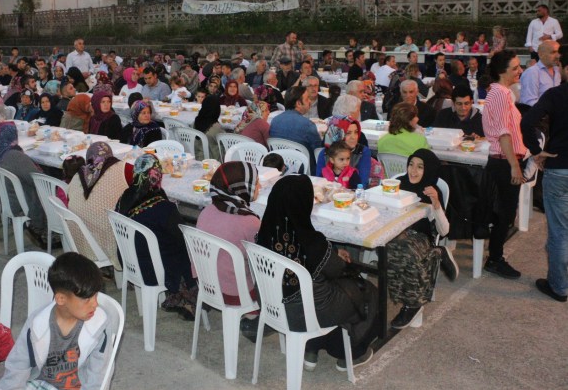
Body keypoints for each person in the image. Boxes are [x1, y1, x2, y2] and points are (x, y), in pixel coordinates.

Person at [257, 175, 377, 371]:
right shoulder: (312, 242)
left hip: (274, 307)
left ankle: (311, 347)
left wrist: (331, 252)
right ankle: (351, 353)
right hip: (307, 315)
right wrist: (335, 256)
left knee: (321, 288)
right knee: (366, 290)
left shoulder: (263, 233)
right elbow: (337, 269)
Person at [0, 252, 112, 390]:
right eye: (87, 299)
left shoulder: (98, 326)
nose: (95, 304)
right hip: (39, 383)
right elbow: (18, 366)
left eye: (96, 295)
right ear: (61, 299)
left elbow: (98, 376)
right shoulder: (37, 324)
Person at [115, 155, 197, 318]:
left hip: (129, 260)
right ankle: (186, 296)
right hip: (152, 270)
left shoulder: (125, 196)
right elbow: (182, 238)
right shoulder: (164, 207)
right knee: (187, 250)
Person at [388, 149, 458, 328]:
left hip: (420, 237)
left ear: (429, 169)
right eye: (411, 165)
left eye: (420, 167)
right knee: (390, 248)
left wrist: (436, 203)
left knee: (404, 250)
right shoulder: (397, 184)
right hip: (394, 232)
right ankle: (437, 254)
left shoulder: (430, 191)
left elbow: (444, 231)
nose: (413, 170)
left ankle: (412, 304)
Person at [521, 60, 568, 302]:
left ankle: (559, 286)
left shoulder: (555, 94)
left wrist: (536, 150)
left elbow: (527, 121)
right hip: (559, 169)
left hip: (559, 168)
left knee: (559, 231)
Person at [481, 50, 526, 279]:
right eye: (515, 68)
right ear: (502, 72)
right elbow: (503, 133)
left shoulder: (502, 93)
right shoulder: (500, 93)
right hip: (503, 161)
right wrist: (514, 166)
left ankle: (495, 256)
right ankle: (495, 258)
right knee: (505, 215)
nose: (520, 71)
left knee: (505, 214)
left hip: (505, 160)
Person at [196, 161, 260, 308]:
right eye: (256, 183)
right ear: (241, 187)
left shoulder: (207, 211)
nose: (259, 187)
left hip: (207, 285)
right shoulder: (249, 221)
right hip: (237, 293)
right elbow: (260, 263)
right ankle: (253, 314)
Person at [67, 142, 128, 275]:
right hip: (108, 240)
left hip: (79, 239)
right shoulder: (123, 168)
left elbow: (68, 196)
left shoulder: (78, 175)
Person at [0, 122, 46, 242]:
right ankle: (43, 229)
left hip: (6, 199)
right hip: (21, 203)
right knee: (52, 187)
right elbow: (37, 179)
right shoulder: (15, 156)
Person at [269, 86, 321, 171]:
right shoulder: (307, 125)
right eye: (307, 99)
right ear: (298, 103)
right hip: (304, 168)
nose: (310, 101)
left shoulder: (275, 120)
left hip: (280, 165)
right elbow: (318, 150)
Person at [317, 116, 374, 187]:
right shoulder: (325, 153)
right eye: (348, 133)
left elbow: (362, 184)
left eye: (356, 132)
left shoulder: (362, 152)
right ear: (337, 134)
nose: (353, 137)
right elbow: (318, 181)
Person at [519, 40, 561, 107]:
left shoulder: (558, 71)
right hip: (540, 113)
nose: (558, 56)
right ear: (541, 55)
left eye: (559, 52)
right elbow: (529, 102)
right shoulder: (532, 73)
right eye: (553, 52)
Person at [193, 95, 223, 161]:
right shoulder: (216, 127)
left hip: (197, 156)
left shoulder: (196, 122)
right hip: (212, 160)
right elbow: (225, 142)